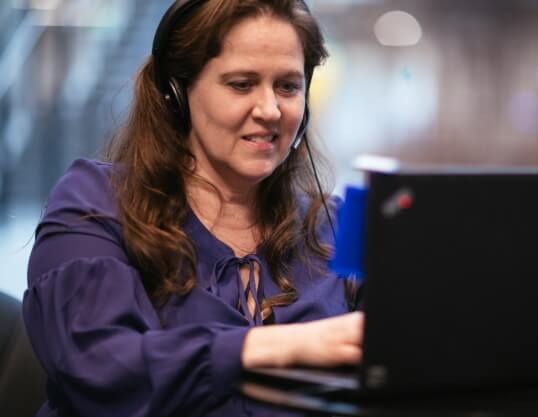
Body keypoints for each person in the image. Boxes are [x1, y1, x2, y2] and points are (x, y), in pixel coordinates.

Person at [22, 1, 363, 416]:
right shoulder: (95, 203)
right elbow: (97, 367)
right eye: (241, 84)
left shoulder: (338, 225)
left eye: (288, 86)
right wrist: (270, 348)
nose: (271, 110)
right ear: (177, 93)